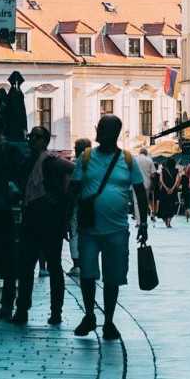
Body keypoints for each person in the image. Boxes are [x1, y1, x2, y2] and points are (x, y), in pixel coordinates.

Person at [70, 115, 148, 341]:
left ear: (115, 133)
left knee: (112, 278)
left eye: (105, 129)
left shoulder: (127, 160)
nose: (100, 132)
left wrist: (143, 222)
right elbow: (74, 189)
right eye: (100, 128)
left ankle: (109, 321)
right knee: (87, 274)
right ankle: (90, 314)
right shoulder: (85, 158)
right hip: (89, 228)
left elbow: (140, 192)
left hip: (117, 229)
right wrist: (68, 219)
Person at [13, 127, 74, 325]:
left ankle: (56, 312)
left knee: (55, 267)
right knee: (25, 266)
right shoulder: (27, 160)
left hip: (50, 221)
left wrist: (59, 199)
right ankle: (22, 309)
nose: (32, 140)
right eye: (31, 136)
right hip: (31, 218)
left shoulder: (51, 160)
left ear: (45, 140)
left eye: (37, 137)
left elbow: (73, 169)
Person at [0, 113, 24, 320]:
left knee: (9, 259)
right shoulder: (10, 150)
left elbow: (19, 177)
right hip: (2, 208)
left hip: (4, 210)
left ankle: (6, 304)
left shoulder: (10, 150)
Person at [68, 138, 92, 276]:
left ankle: (77, 265)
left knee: (74, 233)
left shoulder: (75, 164)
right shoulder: (96, 164)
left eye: (76, 147)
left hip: (77, 204)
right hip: (92, 205)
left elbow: (73, 187)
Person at [135, 148, 156, 224]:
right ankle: (144, 221)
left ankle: (138, 221)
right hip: (146, 183)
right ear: (146, 153)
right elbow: (153, 174)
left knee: (136, 202)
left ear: (139, 152)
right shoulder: (149, 160)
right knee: (145, 202)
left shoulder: (135, 159)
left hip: (136, 183)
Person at [158, 158, 180, 228]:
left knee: (164, 205)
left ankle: (165, 221)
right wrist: (172, 189)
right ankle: (169, 222)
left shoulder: (163, 170)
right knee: (171, 205)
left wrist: (166, 188)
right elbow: (177, 181)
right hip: (173, 191)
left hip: (164, 191)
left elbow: (161, 180)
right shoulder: (176, 171)